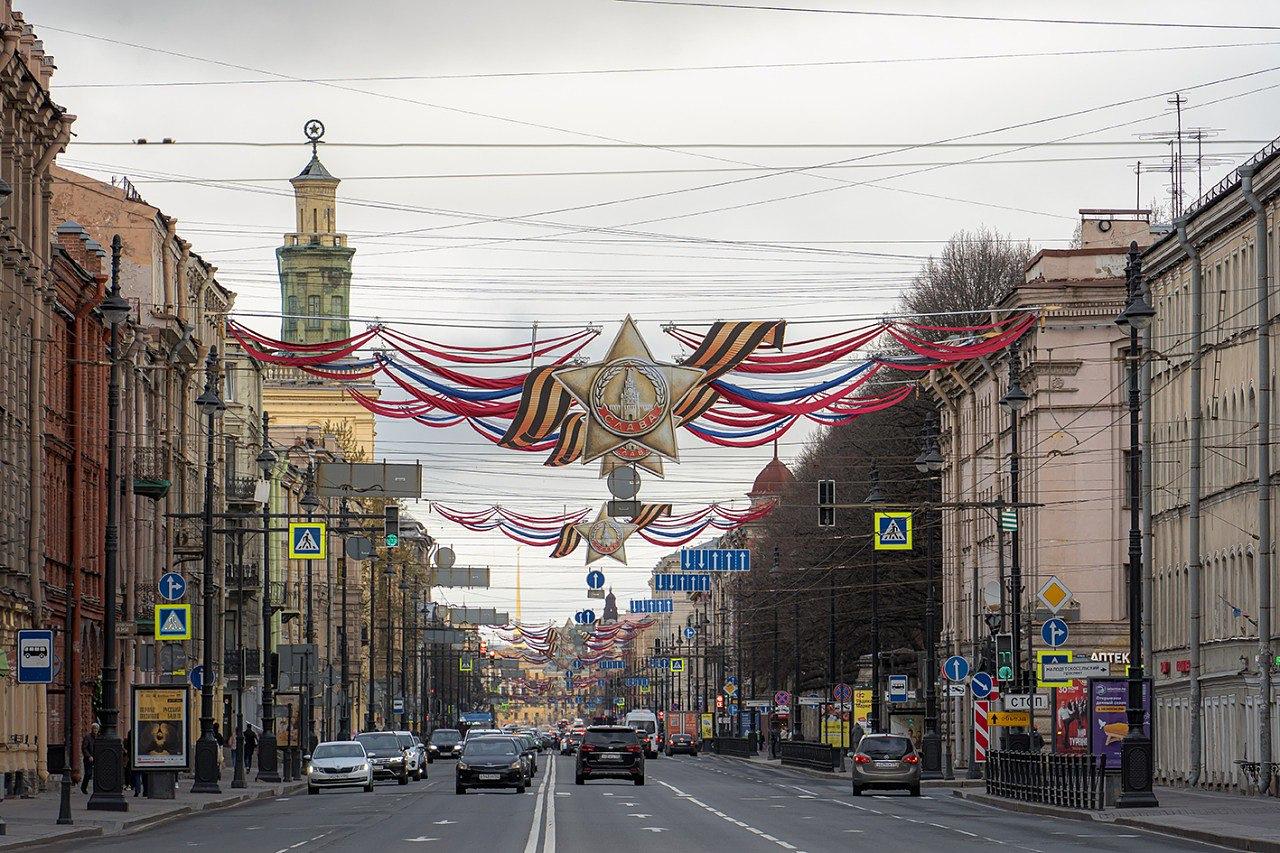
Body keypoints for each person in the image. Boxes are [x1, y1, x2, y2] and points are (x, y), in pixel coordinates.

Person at [80, 722, 99, 794]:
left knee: (97, 774)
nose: (95, 730)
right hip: (88, 759)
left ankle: (97, 789)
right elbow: (84, 748)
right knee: (88, 773)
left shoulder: (98, 737)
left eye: (97, 729)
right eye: (94, 728)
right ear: (92, 729)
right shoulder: (88, 737)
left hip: (96, 758)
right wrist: (89, 756)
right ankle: (83, 787)